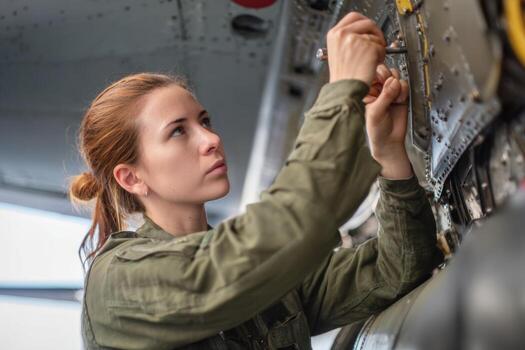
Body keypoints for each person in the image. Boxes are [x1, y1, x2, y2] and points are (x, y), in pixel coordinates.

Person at [70, 12, 442, 349]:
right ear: (131, 178)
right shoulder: (118, 286)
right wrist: (341, 88)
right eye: (178, 132)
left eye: (204, 121)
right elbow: (284, 228)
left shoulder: (259, 268)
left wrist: (389, 153)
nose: (211, 139)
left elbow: (398, 268)